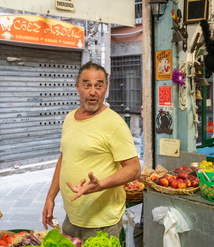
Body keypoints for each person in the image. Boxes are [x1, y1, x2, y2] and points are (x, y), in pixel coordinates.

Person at [42, 61, 141, 242]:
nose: (93, 91)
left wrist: (101, 184)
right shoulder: (69, 118)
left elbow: (134, 169)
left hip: (101, 222)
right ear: (78, 87)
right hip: (72, 218)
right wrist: (50, 198)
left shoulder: (114, 123)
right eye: (87, 85)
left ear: (105, 89)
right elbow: (63, 159)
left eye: (99, 85)